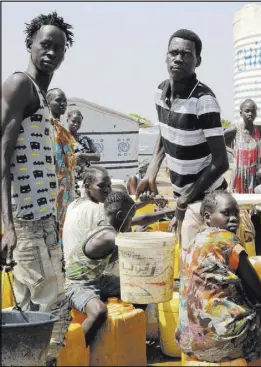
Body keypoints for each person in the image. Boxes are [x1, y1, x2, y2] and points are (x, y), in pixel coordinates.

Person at [0, 12, 74, 365]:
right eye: (45, 44)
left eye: (59, 48)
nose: (51, 52)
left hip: (46, 223)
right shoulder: (20, 85)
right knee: (33, 320)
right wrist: (8, 228)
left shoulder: (43, 97)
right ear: (30, 44)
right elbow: (1, 157)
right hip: (26, 224)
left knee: (54, 315)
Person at [136, 29, 229, 249]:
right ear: (166, 57)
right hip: (184, 199)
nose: (178, 58)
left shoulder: (203, 101)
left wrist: (184, 200)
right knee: (188, 266)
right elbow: (165, 133)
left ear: (198, 61)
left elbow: (221, 162)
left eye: (186, 54)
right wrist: (151, 172)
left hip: (209, 201)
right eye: (173, 53)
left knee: (207, 270)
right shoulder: (160, 93)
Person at [177, 191, 261, 365]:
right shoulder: (227, 240)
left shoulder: (193, 243)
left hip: (188, 340)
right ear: (207, 217)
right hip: (221, 340)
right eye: (226, 213)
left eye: (236, 213)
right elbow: (260, 292)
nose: (234, 218)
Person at [64, 191, 139, 346]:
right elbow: (132, 244)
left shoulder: (107, 225)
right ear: (120, 216)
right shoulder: (107, 237)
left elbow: (142, 219)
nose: (131, 223)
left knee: (137, 289)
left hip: (98, 279)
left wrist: (173, 211)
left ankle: (128, 339)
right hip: (76, 285)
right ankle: (73, 350)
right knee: (99, 312)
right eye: (130, 219)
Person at [47, 88, 78, 249]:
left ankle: (63, 255)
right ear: (47, 103)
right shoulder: (46, 127)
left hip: (67, 184)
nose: (63, 103)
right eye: (58, 100)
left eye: (64, 101)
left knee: (67, 221)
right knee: (55, 221)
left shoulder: (61, 129)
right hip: (54, 185)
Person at [225, 99, 261, 193]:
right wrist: (232, 151)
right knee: (239, 202)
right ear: (241, 113)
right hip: (239, 173)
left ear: (256, 114)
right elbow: (219, 140)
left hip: (256, 174)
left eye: (253, 111)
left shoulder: (260, 129)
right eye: (247, 111)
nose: (250, 114)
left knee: (255, 201)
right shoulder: (236, 130)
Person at [68, 109, 101, 197]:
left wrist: (81, 154)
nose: (76, 124)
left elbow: (97, 156)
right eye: (73, 121)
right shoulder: (63, 139)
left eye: (79, 122)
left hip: (86, 179)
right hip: (69, 179)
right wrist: (72, 157)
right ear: (67, 119)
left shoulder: (86, 139)